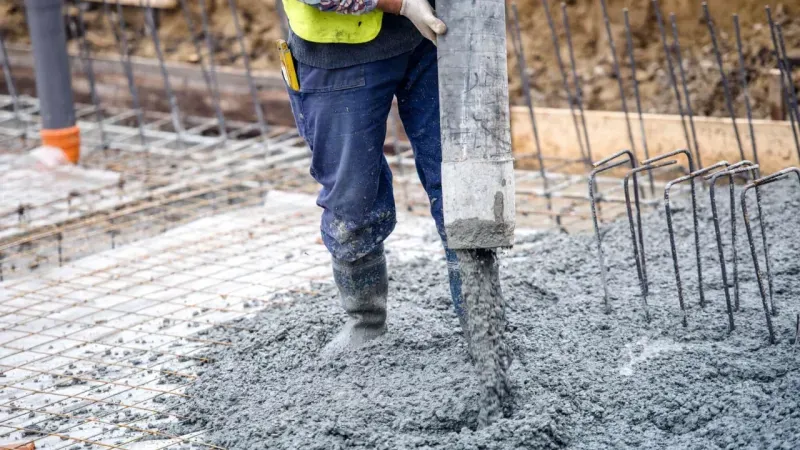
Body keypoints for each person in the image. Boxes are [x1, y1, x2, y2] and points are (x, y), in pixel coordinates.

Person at [280, 0, 462, 356]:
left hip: (433, 37)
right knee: (353, 197)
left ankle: (481, 317)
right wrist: (403, 4)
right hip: (339, 52)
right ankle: (366, 321)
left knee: (461, 180)